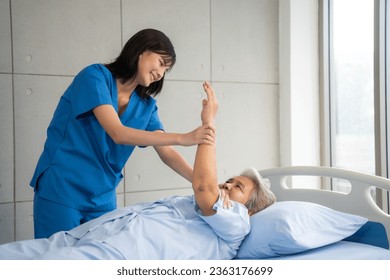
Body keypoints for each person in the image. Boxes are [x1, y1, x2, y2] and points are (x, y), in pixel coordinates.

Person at [0, 82, 276, 260]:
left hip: (115, 256)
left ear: (250, 209)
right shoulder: (97, 79)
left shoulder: (236, 221)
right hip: (89, 236)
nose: (225, 186)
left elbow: (204, 187)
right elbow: (198, 183)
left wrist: (208, 124)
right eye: (229, 181)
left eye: (237, 187)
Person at [30, 29, 216, 239]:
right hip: (62, 187)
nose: (161, 73)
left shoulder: (146, 106)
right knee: (56, 264)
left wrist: (204, 185)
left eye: (167, 70)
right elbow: (117, 133)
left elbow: (167, 153)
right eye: (161, 62)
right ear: (141, 51)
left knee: (100, 263)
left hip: (102, 197)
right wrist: (184, 137)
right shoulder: (94, 77)